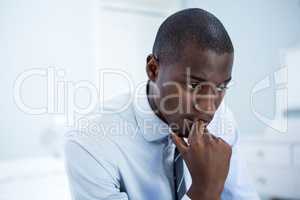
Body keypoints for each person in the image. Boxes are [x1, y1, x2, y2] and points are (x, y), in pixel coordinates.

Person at [64, 8, 259, 200]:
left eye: (220, 88)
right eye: (194, 84)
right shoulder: (89, 142)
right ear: (153, 69)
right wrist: (204, 192)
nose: (209, 109)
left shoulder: (223, 120)